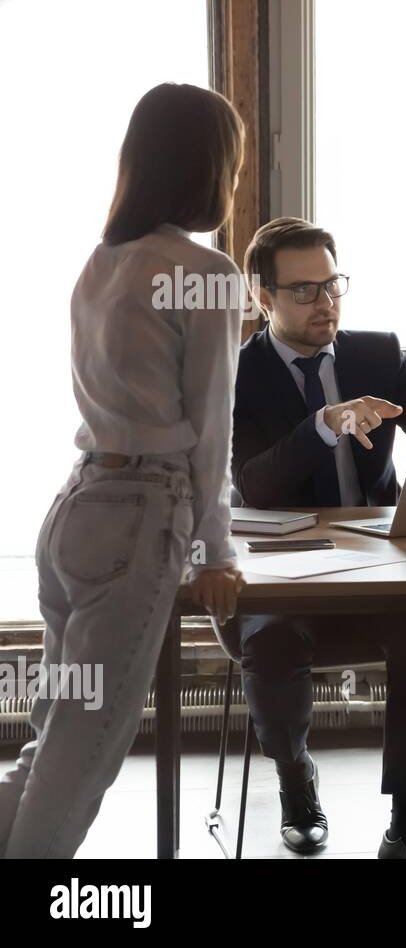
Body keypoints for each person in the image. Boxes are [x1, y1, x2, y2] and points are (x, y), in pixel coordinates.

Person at [0, 83, 247, 858]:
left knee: (54, 732)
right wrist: (218, 554)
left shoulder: (100, 262)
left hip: (74, 508)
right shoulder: (206, 271)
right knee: (84, 755)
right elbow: (210, 433)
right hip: (141, 515)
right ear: (211, 167)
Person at [232, 216, 406, 858]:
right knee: (274, 641)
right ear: (263, 296)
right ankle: (296, 782)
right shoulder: (237, 373)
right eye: (304, 290)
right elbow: (252, 485)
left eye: (333, 283)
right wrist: (323, 425)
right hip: (282, 574)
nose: (326, 302)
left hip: (379, 572)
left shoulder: (378, 354)